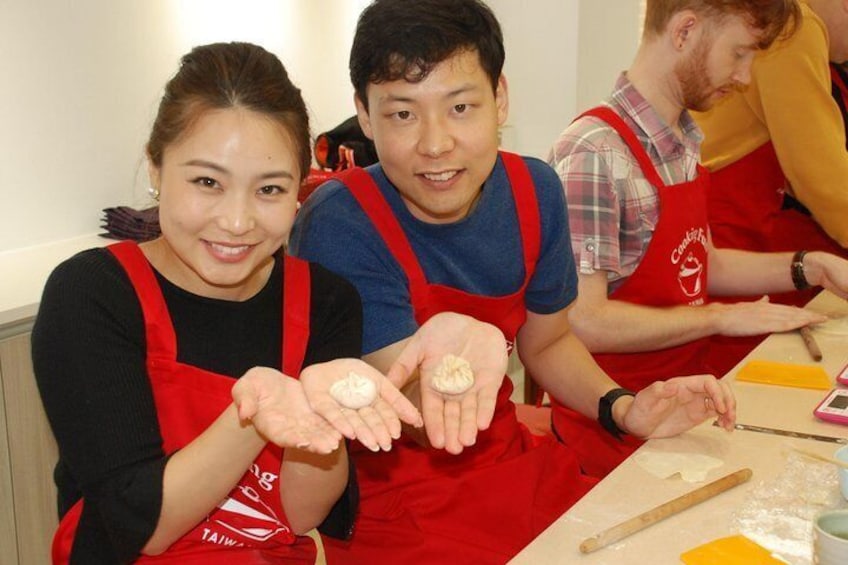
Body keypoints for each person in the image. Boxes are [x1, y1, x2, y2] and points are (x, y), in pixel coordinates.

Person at [289, 1, 738, 562]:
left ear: (500, 98)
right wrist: (452, 356)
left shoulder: (535, 191)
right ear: (364, 114)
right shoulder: (341, 221)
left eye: (460, 107)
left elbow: (547, 341)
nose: (435, 144)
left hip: (510, 460)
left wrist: (623, 408)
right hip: (396, 496)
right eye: (402, 114)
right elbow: (420, 416)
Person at [31, 42, 425, 564]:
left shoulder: (326, 302)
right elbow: (139, 527)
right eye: (207, 182)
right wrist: (256, 412)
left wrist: (321, 419)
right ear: (155, 167)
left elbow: (302, 514)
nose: (237, 222)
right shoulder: (93, 293)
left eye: (269, 190)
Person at [548, 0, 848, 479]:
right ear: (686, 30)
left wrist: (810, 265)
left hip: (685, 402)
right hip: (615, 425)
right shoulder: (593, 152)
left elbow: (703, 262)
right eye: (739, 54)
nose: (746, 77)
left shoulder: (682, 137)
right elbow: (585, 319)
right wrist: (720, 317)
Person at [693, 0, 848, 257]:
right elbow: (825, 182)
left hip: (723, 236)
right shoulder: (795, 27)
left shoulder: (770, 12)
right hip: (729, 238)